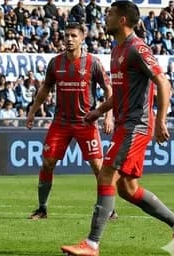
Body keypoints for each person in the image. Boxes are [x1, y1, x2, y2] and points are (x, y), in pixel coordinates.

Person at [61, 1, 174, 256]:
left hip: (137, 125)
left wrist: (162, 120)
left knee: (106, 175)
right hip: (125, 123)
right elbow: (121, 93)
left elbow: (163, 83)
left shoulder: (137, 48)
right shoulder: (116, 50)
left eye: (110, 14)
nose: (106, 17)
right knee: (127, 188)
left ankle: (91, 244)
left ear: (122, 20)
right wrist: (100, 110)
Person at [26, 22, 115, 220]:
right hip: (61, 122)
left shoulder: (93, 62)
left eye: (73, 35)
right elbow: (45, 89)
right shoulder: (55, 63)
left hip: (86, 122)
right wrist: (32, 111)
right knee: (47, 163)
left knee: (98, 166)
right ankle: (42, 208)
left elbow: (109, 90)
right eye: (66, 35)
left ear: (82, 38)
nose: (68, 39)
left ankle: (108, 208)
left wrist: (109, 116)